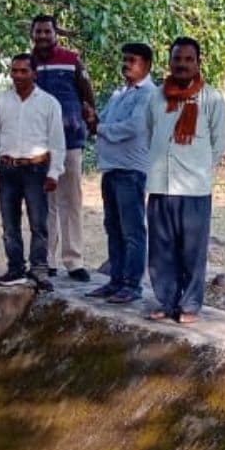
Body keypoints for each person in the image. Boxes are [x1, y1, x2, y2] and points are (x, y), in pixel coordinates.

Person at [143, 37, 225, 324]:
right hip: (159, 185)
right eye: (177, 59)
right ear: (169, 62)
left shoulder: (212, 99)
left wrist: (199, 167)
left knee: (192, 251)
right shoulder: (155, 97)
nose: (182, 64)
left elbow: (219, 143)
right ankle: (165, 302)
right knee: (160, 250)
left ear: (198, 63)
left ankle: (190, 304)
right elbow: (148, 134)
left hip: (194, 188)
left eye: (188, 59)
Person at [82, 42, 155, 304]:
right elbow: (101, 122)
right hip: (111, 168)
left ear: (146, 65)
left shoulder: (149, 95)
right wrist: (92, 119)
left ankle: (132, 284)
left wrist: (99, 128)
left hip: (131, 170)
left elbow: (132, 128)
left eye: (132, 60)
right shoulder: (118, 94)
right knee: (113, 227)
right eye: (124, 59)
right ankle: (115, 280)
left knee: (132, 230)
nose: (126, 64)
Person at [0, 54, 65, 292]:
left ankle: (39, 270)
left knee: (39, 223)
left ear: (34, 73)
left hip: (36, 169)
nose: (18, 76)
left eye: (23, 71)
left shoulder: (49, 103)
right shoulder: (2, 101)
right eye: (14, 71)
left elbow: (57, 142)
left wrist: (53, 173)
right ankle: (15, 269)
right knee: (10, 225)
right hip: (8, 169)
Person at [30, 14, 96, 282]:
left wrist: (90, 120)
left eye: (48, 31)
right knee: (45, 203)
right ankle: (47, 260)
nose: (43, 36)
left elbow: (87, 94)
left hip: (70, 139)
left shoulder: (71, 60)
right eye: (39, 32)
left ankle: (74, 260)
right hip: (38, 144)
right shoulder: (27, 63)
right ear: (32, 35)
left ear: (56, 34)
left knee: (71, 200)